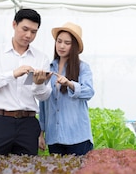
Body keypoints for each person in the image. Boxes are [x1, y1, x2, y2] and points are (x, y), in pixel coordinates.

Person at [0, 8, 52, 156]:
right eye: (25, 29)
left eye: (34, 32)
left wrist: (39, 83)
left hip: (28, 124)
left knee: (27, 173)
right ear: (14, 25)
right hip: (0, 122)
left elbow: (43, 96)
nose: (28, 35)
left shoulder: (41, 58)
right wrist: (12, 74)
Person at [38, 22, 95, 156]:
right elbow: (43, 103)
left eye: (67, 43)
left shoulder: (83, 68)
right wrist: (41, 133)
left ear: (74, 46)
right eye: (59, 41)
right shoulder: (48, 68)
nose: (62, 46)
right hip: (54, 137)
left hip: (78, 137)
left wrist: (70, 84)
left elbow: (89, 91)